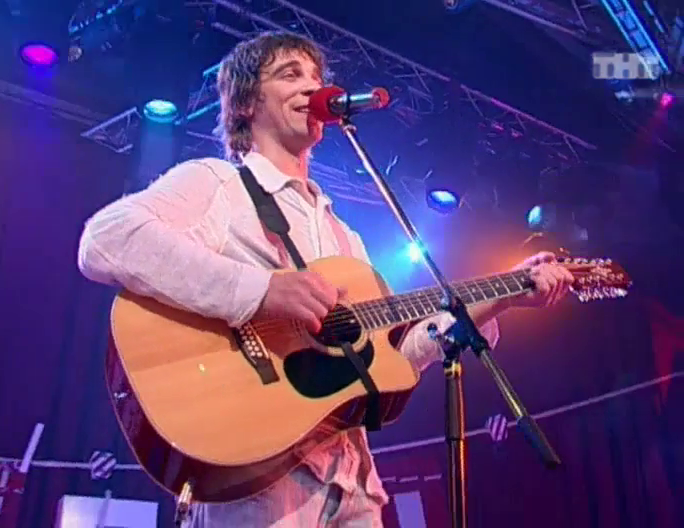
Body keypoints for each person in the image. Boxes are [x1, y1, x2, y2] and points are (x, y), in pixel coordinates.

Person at [78, 31, 574, 528]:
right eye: (289, 74)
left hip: (353, 481)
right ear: (247, 103)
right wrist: (261, 292)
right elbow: (105, 240)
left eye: (316, 77)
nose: (312, 87)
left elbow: (394, 360)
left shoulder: (345, 236)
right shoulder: (218, 183)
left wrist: (506, 293)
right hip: (256, 482)